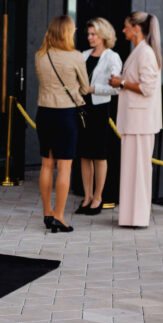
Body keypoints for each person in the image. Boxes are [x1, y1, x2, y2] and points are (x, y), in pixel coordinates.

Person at [35, 14, 90, 233]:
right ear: (67, 33)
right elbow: (84, 87)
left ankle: (47, 213)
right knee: (64, 167)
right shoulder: (75, 56)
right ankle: (59, 216)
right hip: (66, 114)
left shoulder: (40, 55)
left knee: (46, 164)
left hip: (44, 112)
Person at [108, 11, 163, 228]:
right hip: (135, 121)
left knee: (139, 171)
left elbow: (147, 88)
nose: (123, 31)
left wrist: (121, 83)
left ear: (136, 28)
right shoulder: (140, 51)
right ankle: (130, 217)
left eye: (126, 27)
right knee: (132, 171)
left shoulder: (145, 53)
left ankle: (138, 217)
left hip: (141, 122)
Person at [75, 17, 123, 215]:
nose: (90, 37)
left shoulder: (112, 57)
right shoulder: (83, 55)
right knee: (85, 155)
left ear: (103, 35)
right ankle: (87, 197)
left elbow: (116, 88)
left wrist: (93, 88)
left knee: (99, 155)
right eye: (88, 34)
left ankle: (98, 197)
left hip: (100, 109)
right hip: (82, 108)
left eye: (94, 34)